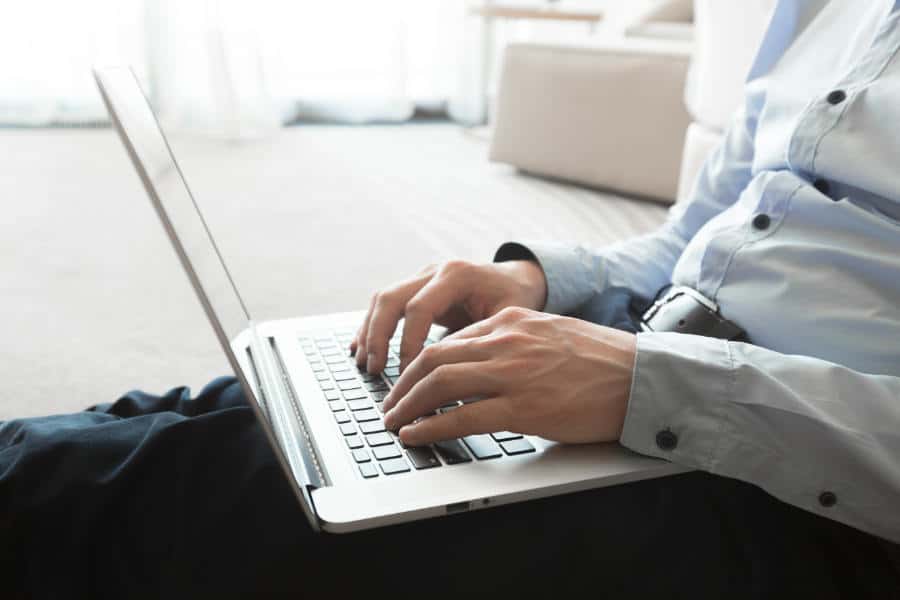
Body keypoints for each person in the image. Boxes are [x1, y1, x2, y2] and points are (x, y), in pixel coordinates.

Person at [3, 0, 900, 598]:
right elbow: (698, 235)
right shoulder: (821, 14)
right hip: (650, 359)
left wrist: (648, 385)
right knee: (215, 416)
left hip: (799, 490)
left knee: (150, 501)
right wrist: (535, 283)